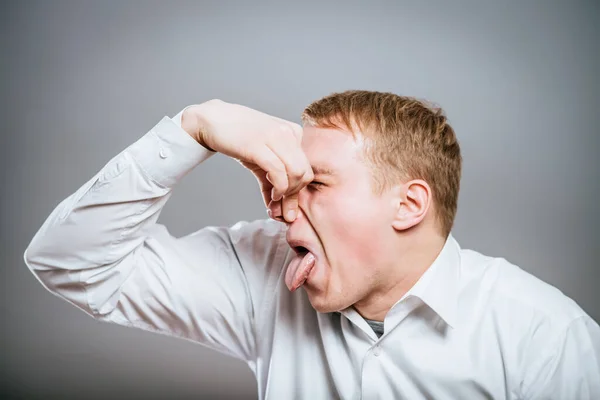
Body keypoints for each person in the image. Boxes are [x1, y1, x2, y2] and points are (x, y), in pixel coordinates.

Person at [24, 91, 600, 399]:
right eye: (286, 178)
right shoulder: (263, 274)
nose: (278, 203)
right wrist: (194, 127)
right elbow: (68, 263)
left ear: (409, 205)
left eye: (314, 183)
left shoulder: (545, 338)